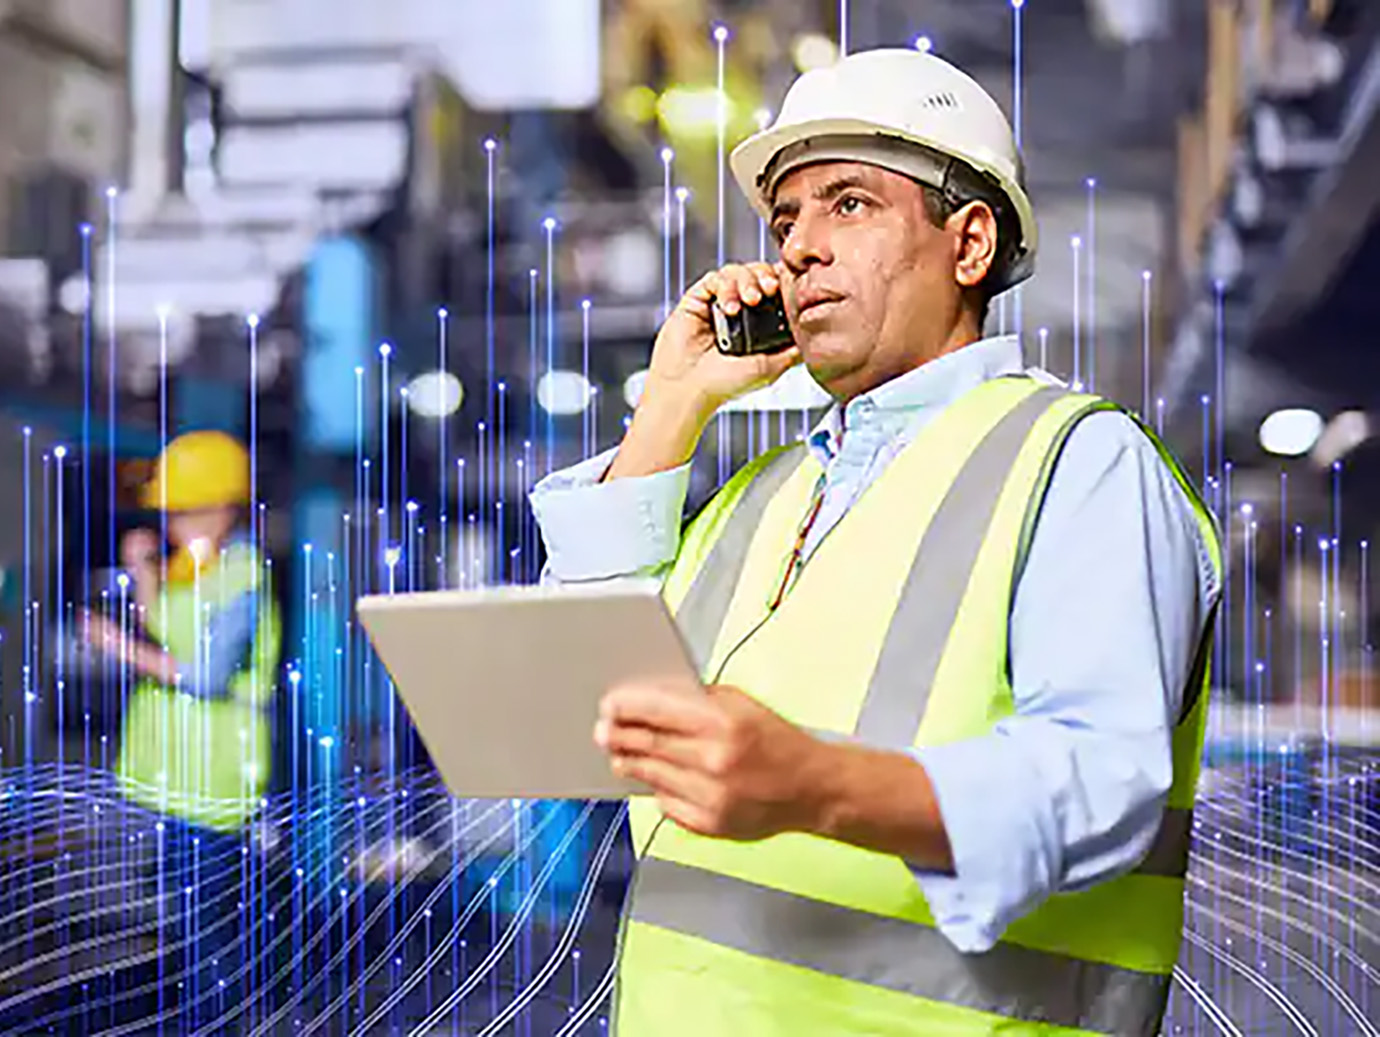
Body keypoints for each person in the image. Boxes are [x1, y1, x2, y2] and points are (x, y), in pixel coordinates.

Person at [529, 49, 1223, 1036]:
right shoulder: (758, 499)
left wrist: (813, 783)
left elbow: (1103, 784)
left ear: (971, 242)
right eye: (785, 219)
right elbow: (573, 706)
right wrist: (673, 403)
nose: (799, 247)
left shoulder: (1078, 465)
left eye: (847, 204)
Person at [83, 429, 280, 1012]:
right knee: (189, 929)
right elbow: (172, 631)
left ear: (223, 509)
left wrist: (117, 646)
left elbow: (205, 675)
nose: (172, 527)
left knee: (209, 941)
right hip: (180, 783)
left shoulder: (241, 578)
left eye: (184, 514)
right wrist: (145, 574)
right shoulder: (199, 569)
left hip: (214, 783)